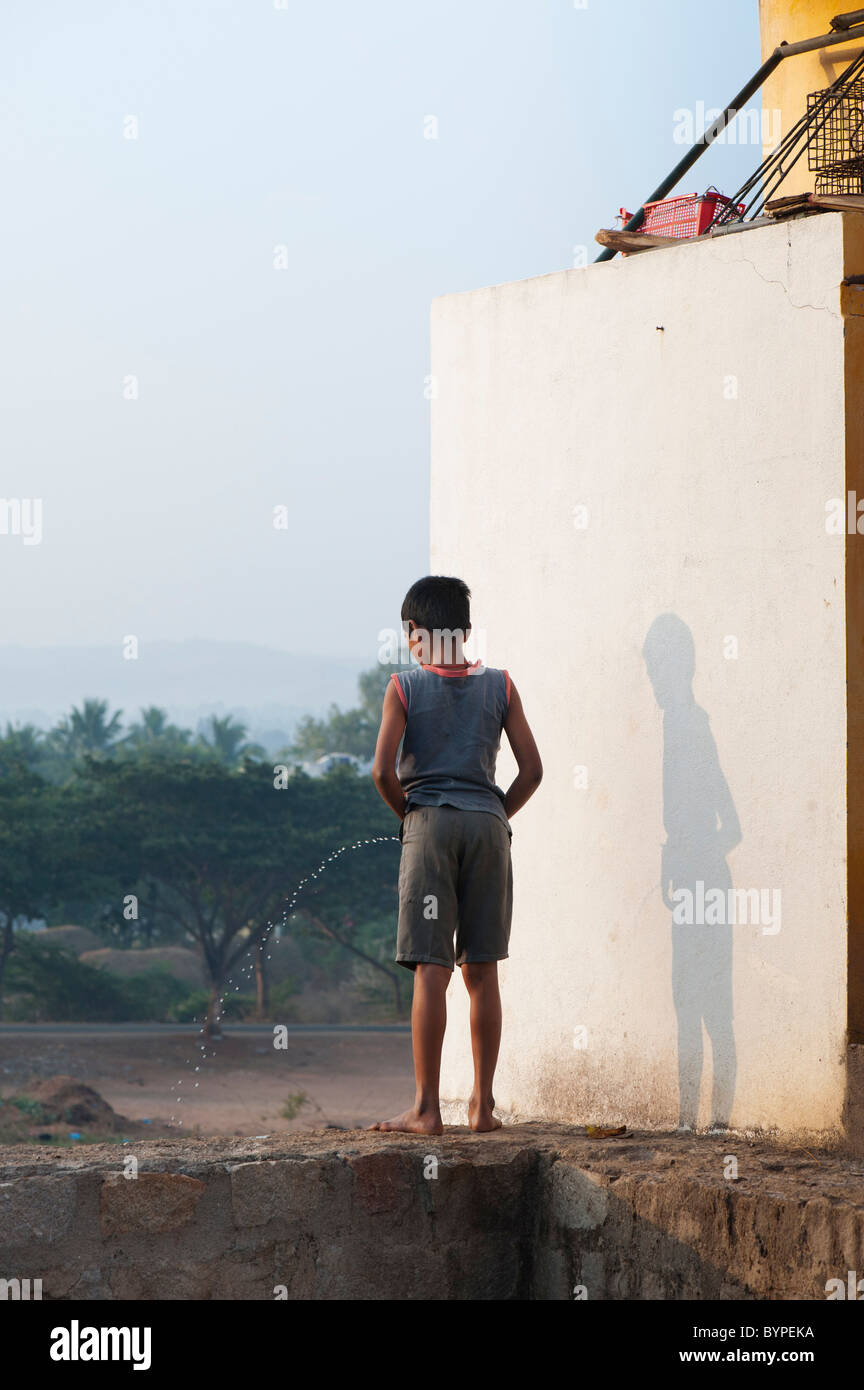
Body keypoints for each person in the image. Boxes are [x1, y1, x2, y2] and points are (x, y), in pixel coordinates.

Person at [368, 575, 542, 1134]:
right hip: (488, 827)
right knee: (482, 969)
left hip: (429, 825)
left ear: (416, 633)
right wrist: (494, 816)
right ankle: (482, 1108)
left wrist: (413, 819)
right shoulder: (501, 685)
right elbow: (532, 771)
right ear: (465, 631)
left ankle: (425, 1109)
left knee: (430, 970)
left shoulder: (405, 686)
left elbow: (381, 771)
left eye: (408, 634)